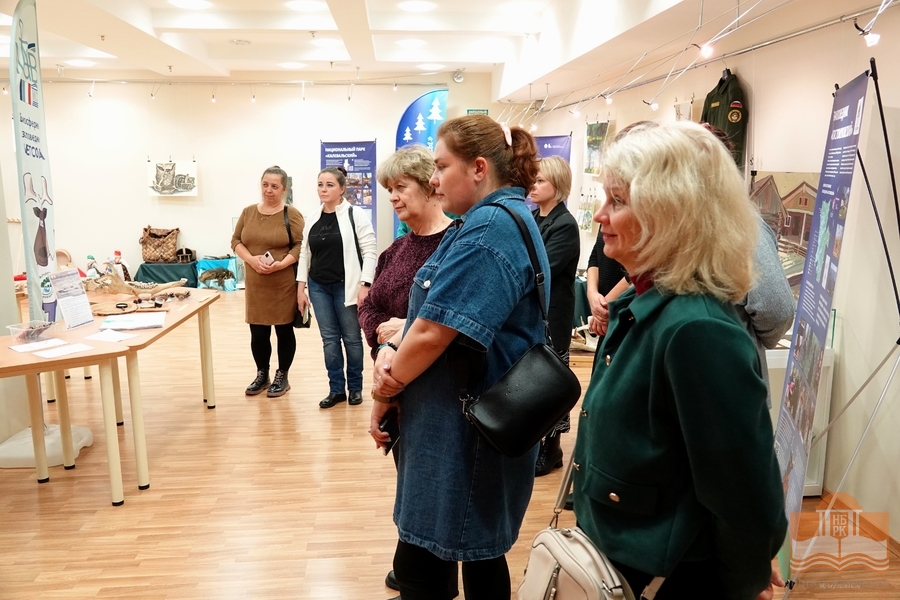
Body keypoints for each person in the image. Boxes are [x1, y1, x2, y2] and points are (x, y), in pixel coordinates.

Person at [572, 121, 787, 600]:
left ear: (669, 213)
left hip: (667, 574)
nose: (601, 215)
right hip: (623, 558)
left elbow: (741, 488)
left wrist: (747, 576)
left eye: (618, 201)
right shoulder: (646, 304)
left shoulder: (696, 329)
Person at [369, 115, 549, 600]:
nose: (433, 179)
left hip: (464, 428)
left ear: (479, 168)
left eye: (442, 166)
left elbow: (432, 333)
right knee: (473, 550)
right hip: (461, 420)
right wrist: (394, 347)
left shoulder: (490, 228)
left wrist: (385, 387)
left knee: (441, 557)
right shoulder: (496, 219)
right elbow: (429, 320)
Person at [357, 144, 456, 598]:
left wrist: (407, 328)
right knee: (411, 481)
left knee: (433, 490)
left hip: (438, 393)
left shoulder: (456, 245)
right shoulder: (397, 250)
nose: (393, 197)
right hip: (397, 384)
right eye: (389, 189)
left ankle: (425, 575)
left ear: (430, 186)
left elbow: (445, 325)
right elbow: (370, 307)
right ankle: (416, 566)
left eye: (401, 187)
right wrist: (384, 341)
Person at [297, 166, 377, 408]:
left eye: (330, 185)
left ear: (342, 189)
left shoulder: (355, 214)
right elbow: (304, 254)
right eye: (320, 184)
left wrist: (365, 285)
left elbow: (370, 251)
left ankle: (355, 388)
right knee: (329, 340)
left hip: (347, 287)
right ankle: (336, 390)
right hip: (318, 287)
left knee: (352, 339)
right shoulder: (312, 217)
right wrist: (301, 288)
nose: (323, 189)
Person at [231, 166, 304, 398]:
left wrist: (282, 264)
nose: (268, 190)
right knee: (258, 332)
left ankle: (282, 376)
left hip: (282, 282)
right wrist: (251, 260)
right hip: (256, 283)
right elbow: (235, 241)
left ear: (284, 189)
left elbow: (301, 246)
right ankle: (262, 374)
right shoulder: (248, 212)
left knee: (283, 330)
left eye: (274, 186)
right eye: (265, 185)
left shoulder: (291, 214)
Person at [528, 155, 580, 477]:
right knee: (534, 379)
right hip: (535, 313)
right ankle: (536, 440)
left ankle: (553, 447)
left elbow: (542, 269)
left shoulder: (565, 224)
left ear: (557, 185)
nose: (533, 185)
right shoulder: (534, 217)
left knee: (553, 379)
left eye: (540, 181)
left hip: (554, 316)